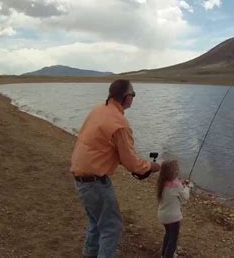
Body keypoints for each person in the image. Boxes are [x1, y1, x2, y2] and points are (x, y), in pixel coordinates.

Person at [70, 79, 161, 258]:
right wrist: (152, 166)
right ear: (126, 97)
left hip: (80, 178)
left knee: (96, 222)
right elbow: (132, 163)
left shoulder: (98, 110)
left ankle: (89, 254)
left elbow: (101, 145)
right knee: (111, 227)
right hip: (95, 183)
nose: (133, 98)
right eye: (133, 95)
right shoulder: (119, 123)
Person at [156, 160, 192, 258]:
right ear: (173, 172)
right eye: (177, 169)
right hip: (173, 218)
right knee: (173, 239)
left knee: (168, 234)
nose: (178, 170)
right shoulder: (177, 184)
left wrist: (181, 183)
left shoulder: (161, 182)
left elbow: (173, 187)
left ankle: (164, 254)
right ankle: (168, 255)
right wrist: (188, 187)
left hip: (163, 216)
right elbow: (185, 197)